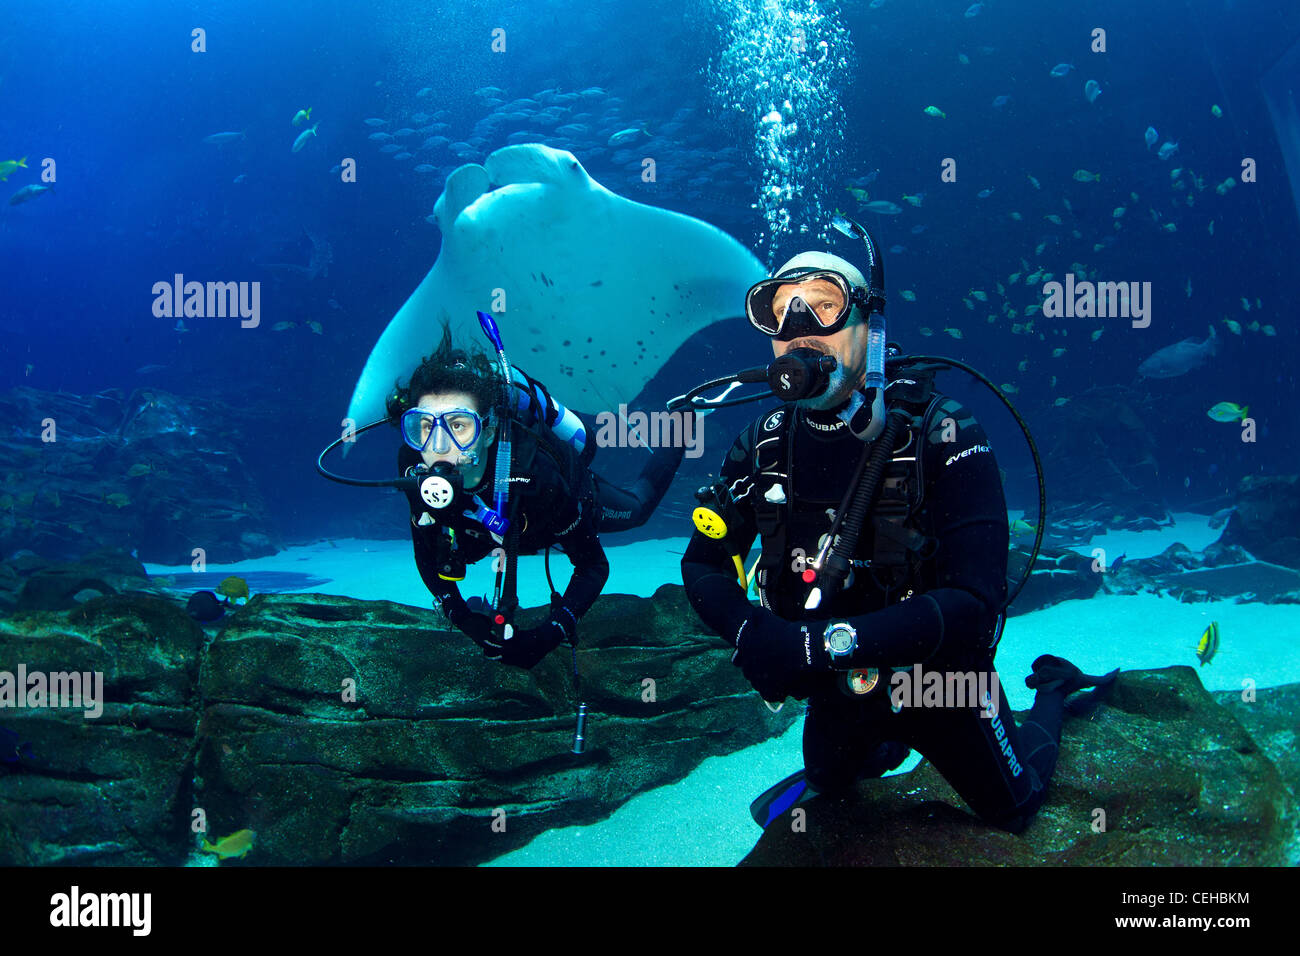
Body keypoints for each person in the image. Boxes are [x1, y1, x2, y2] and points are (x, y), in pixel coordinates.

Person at [680, 234, 1115, 833]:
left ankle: (1054, 692)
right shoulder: (765, 441)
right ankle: (882, 745)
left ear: (869, 327)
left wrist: (811, 646)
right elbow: (702, 563)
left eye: (823, 304)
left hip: (940, 680)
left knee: (1016, 808)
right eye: (779, 311)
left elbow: (975, 605)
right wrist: (752, 631)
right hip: (839, 682)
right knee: (832, 780)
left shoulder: (942, 434)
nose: (798, 327)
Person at [390, 324, 687, 669]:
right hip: (486, 529)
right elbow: (425, 551)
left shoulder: (534, 476)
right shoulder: (415, 467)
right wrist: (462, 617)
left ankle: (682, 420)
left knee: (638, 509)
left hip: (546, 513)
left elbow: (592, 565)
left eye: (458, 425)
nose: (438, 446)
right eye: (425, 426)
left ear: (487, 432)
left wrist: (552, 632)